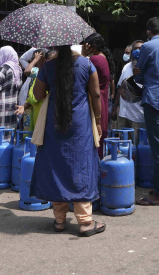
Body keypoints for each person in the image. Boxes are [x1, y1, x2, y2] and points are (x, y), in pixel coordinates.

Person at [30, 45, 105, 237]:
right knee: (80, 165)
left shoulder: (48, 67)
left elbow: (38, 96)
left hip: (53, 123)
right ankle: (85, 222)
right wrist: (97, 120)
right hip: (80, 124)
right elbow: (96, 95)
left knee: (56, 165)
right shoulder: (86, 64)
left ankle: (60, 220)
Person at [134, 17, 159, 206]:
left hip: (153, 99)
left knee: (158, 148)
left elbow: (140, 74)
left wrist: (136, 72)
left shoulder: (147, 47)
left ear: (148, 32)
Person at [81, 33, 113, 157]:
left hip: (96, 101)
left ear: (92, 46)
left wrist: (83, 56)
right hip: (102, 99)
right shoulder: (102, 57)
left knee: (95, 134)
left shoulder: (95, 59)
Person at [115, 41, 144, 145]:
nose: (137, 51)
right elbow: (120, 88)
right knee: (123, 144)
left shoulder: (147, 68)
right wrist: (115, 108)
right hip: (123, 113)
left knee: (137, 144)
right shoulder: (126, 67)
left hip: (138, 114)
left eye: (140, 49)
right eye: (135, 48)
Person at [0, 46, 22, 130]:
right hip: (14, 106)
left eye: (0, 55)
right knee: (10, 132)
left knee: (0, 133)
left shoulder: (4, 69)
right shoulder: (18, 69)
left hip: (2, 106)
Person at [16, 48, 46, 129]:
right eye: (33, 58)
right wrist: (35, 60)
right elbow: (27, 71)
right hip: (31, 106)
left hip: (41, 108)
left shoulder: (46, 71)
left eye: (38, 58)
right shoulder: (36, 71)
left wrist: (36, 59)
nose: (35, 60)